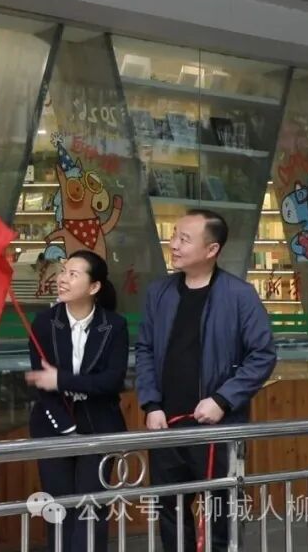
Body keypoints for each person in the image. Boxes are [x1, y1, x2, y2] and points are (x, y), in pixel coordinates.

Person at [134, 209, 276, 552]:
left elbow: (262, 355)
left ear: (211, 250)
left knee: (220, 512)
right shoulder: (159, 293)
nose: (174, 244)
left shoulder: (239, 295)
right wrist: (151, 404)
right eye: (174, 235)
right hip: (166, 424)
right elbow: (145, 350)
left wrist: (222, 400)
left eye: (184, 239)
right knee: (170, 510)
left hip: (217, 425)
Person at [25, 250, 129, 552]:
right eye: (63, 271)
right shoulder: (44, 323)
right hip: (53, 425)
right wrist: (66, 424)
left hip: (99, 425)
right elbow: (42, 384)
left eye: (73, 274)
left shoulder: (114, 325)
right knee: (58, 509)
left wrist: (62, 380)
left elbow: (111, 381)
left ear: (94, 286)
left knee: (91, 508)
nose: (63, 279)